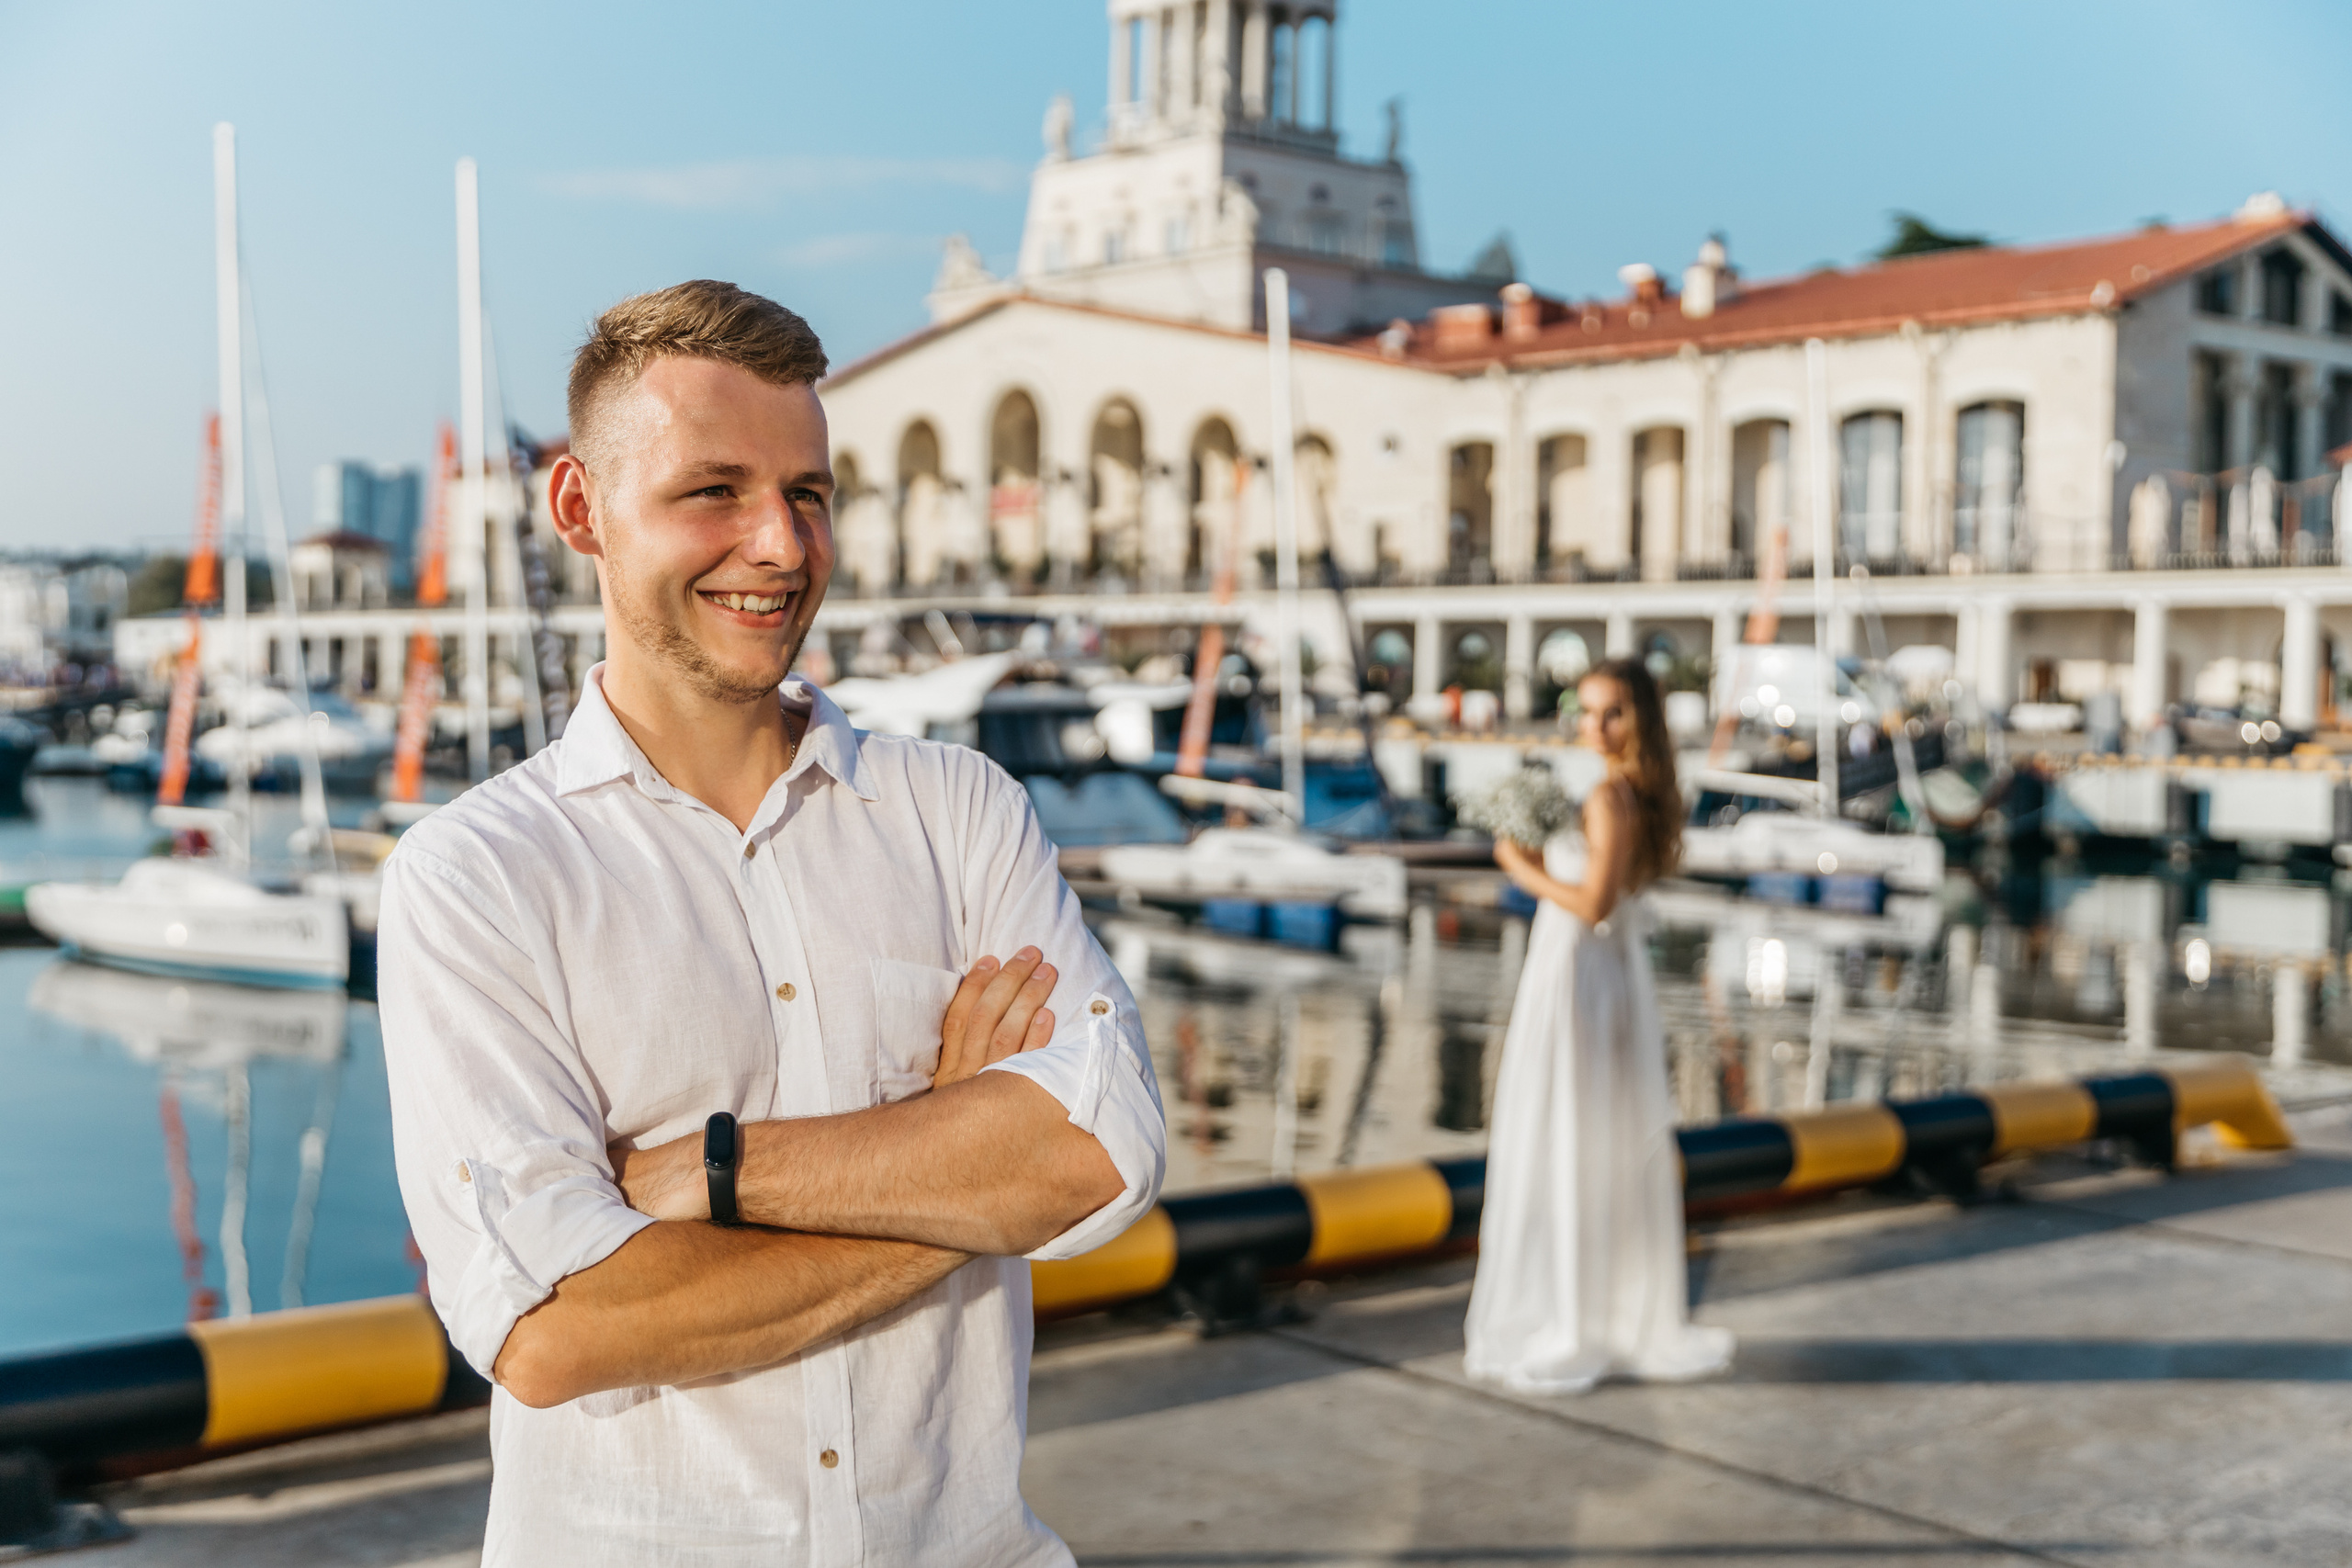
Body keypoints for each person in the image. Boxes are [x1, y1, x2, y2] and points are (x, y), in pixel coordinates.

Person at [379, 279, 1166, 1565]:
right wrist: (953, 1170)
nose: (782, 547)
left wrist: (720, 1172)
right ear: (580, 507)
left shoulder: (957, 809)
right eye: (714, 492)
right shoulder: (477, 876)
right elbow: (559, 1325)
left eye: (807, 493)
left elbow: (1102, 1147)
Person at [1463, 658, 1734, 1395]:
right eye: (1585, 711)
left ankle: (1571, 1315)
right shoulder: (1633, 791)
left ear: (1638, 718)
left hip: (1579, 973)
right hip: (1604, 978)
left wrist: (1518, 866)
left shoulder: (1613, 795)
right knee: (1590, 1138)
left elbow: (1595, 904)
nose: (1594, 726)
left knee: (1566, 1134)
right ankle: (1592, 1304)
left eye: (1611, 712)